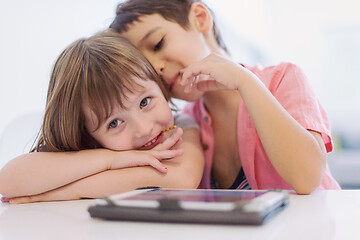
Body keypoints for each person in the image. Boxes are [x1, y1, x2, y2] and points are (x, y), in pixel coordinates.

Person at [109, 0, 341, 194]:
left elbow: (307, 178)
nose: (156, 68)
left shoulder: (284, 79)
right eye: (145, 65)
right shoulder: (186, 124)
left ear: (200, 18)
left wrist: (244, 81)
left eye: (158, 43)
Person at [0, 31, 204, 204]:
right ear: (87, 135)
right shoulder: (97, 149)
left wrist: (69, 191)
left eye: (145, 102)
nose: (143, 129)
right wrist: (112, 160)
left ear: (160, 87)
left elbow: (183, 178)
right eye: (114, 123)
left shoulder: (181, 126)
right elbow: (7, 182)